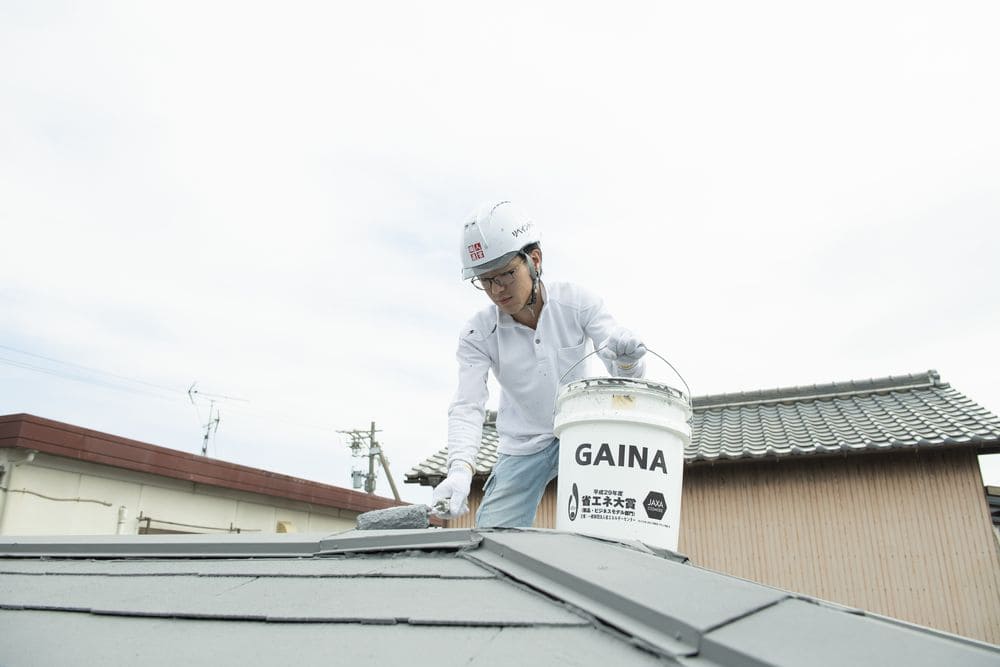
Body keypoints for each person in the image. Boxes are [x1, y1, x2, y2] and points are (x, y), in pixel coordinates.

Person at [432, 200, 647, 528]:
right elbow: (467, 405)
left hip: (582, 430)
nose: (497, 290)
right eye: (485, 280)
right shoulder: (479, 333)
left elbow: (622, 376)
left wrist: (628, 364)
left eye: (506, 274)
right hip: (522, 444)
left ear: (534, 260)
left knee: (606, 523)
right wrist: (460, 470)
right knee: (492, 536)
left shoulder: (576, 303)